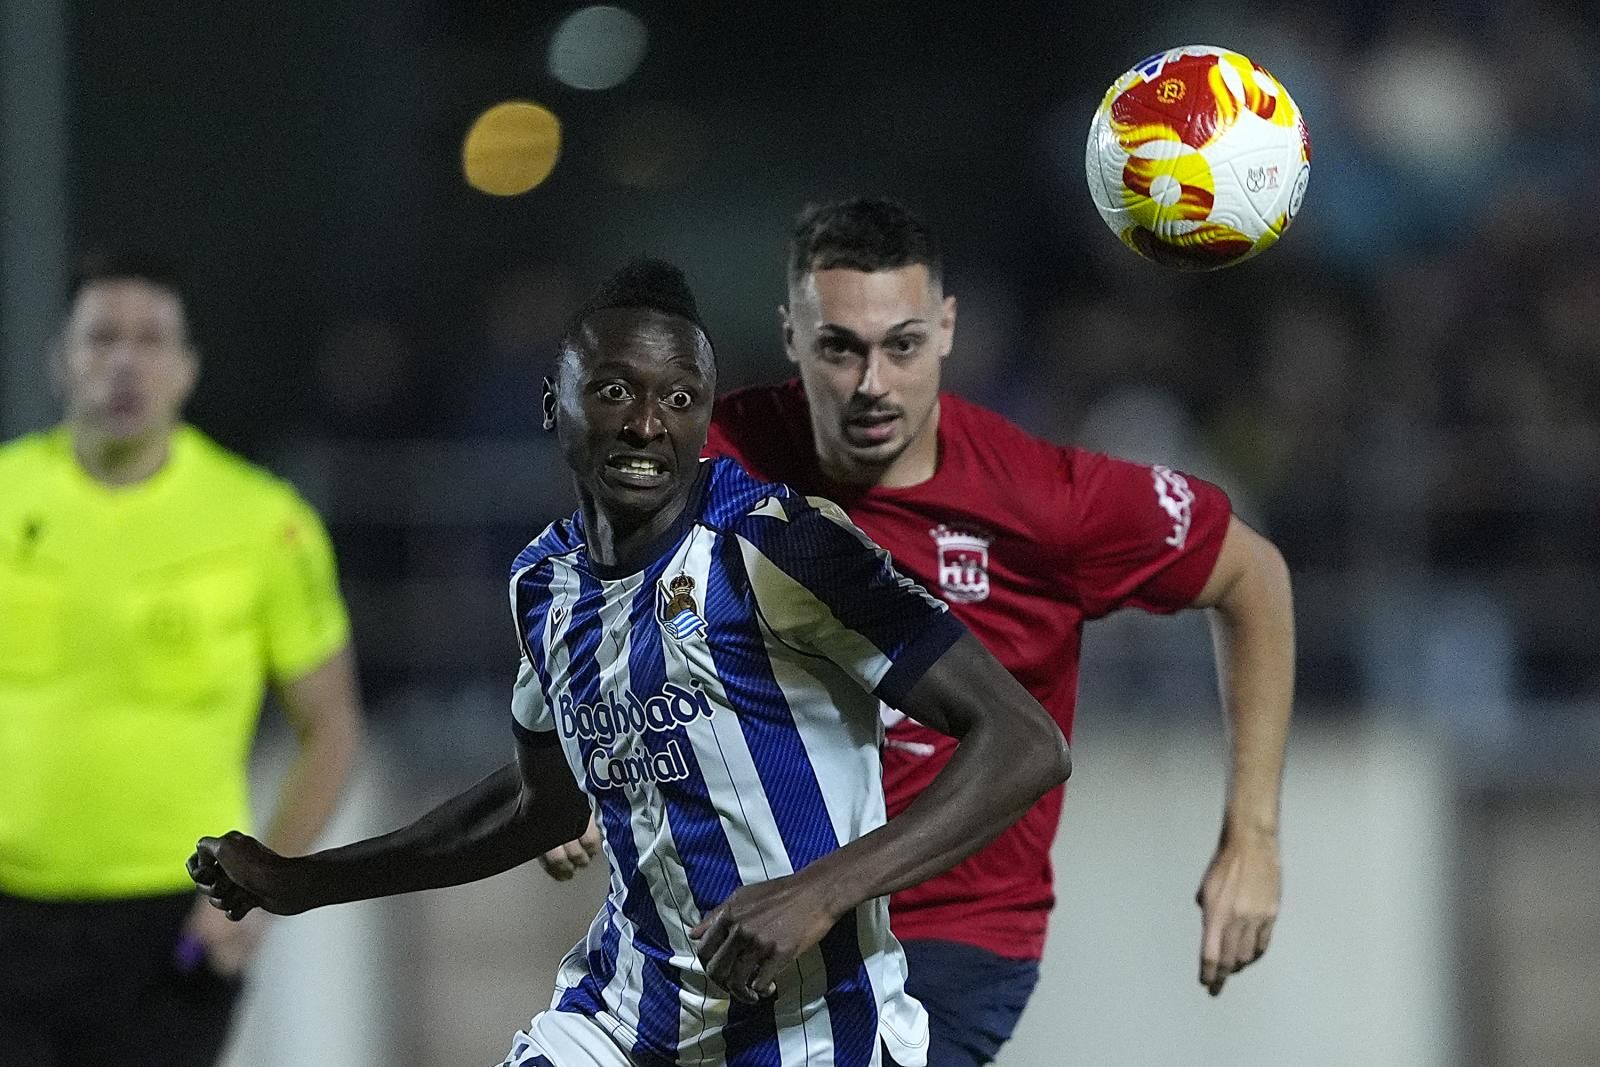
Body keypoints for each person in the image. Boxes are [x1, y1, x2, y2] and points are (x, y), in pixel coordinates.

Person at [187, 259, 1071, 1067]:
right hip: (620, 1025)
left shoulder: (780, 547)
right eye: (615, 389)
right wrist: (307, 881)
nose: (648, 422)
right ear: (554, 402)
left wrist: (819, 894)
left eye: (681, 399)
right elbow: (544, 803)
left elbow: (1024, 740)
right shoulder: (544, 583)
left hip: (815, 1036)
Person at [539, 199, 1296, 1067]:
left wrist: (1254, 837)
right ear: (792, 335)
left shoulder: (1044, 502)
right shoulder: (718, 455)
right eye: (840, 347)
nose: (872, 384)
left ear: (945, 329)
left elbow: (1253, 574)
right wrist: (568, 761)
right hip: (744, 920)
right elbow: (600, 598)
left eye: (901, 345)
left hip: (948, 937)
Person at [0, 252, 364, 1065]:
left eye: (150, 339)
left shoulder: (264, 522)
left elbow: (332, 727)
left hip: (173, 922)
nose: (125, 361)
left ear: (186, 367)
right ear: (61, 360)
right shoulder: (5, 495)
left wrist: (263, 890)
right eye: (101, 338)